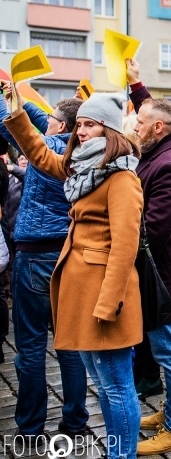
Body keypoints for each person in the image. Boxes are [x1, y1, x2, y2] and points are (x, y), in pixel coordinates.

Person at [3, 88, 143, 459]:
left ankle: (123, 454)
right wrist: (15, 111)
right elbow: (39, 153)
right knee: (102, 382)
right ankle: (117, 452)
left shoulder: (121, 177)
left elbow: (125, 247)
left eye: (89, 125)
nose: (80, 131)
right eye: (79, 125)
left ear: (108, 129)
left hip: (104, 296)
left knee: (116, 386)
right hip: (82, 290)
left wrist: (109, 303)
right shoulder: (85, 168)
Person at [0, 91, 88, 451]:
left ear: (61, 126)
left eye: (50, 119)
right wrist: (19, 98)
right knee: (70, 345)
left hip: (35, 256)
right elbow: (44, 120)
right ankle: (75, 421)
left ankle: (31, 428)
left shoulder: (45, 147)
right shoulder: (85, 151)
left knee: (31, 346)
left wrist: (4, 98)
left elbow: (10, 124)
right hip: (69, 254)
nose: (44, 122)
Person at [127, 61, 171, 455]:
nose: (134, 126)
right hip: (162, 273)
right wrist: (137, 84)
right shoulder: (168, 142)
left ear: (156, 129)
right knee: (168, 348)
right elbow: (157, 112)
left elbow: (151, 230)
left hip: (164, 276)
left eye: (140, 123)